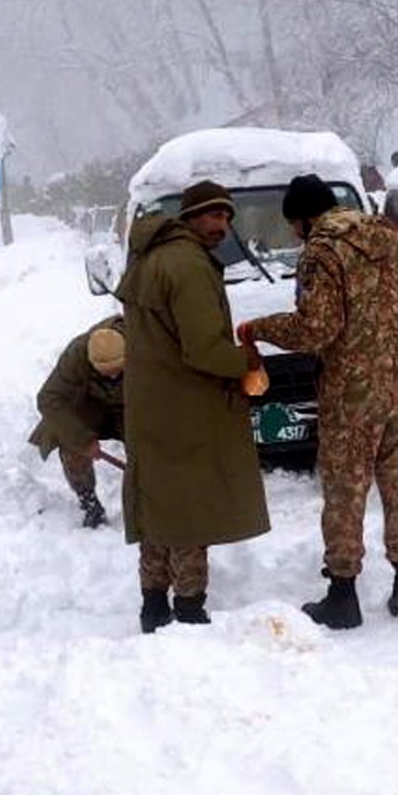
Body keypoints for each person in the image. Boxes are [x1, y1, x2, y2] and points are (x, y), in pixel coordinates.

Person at [240, 174, 398, 629]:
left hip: (352, 398)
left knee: (345, 495)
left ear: (305, 218)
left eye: (292, 225)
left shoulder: (322, 251)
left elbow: (316, 329)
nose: (293, 233)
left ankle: (342, 595)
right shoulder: (389, 237)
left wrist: (258, 328)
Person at [114, 179, 270, 632]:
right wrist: (247, 360)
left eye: (226, 217)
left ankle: (152, 604)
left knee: (159, 506)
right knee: (190, 510)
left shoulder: (149, 258)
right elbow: (204, 349)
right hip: (188, 404)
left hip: (151, 403)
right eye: (213, 215)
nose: (222, 225)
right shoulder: (190, 266)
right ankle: (189, 607)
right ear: (190, 217)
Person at [26, 318, 126, 528]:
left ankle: (150, 503)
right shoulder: (76, 354)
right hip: (90, 406)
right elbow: (48, 398)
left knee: (150, 449)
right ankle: (89, 503)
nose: (114, 375)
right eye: (106, 372)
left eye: (118, 369)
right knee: (72, 446)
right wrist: (82, 439)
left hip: (133, 407)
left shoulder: (146, 347)